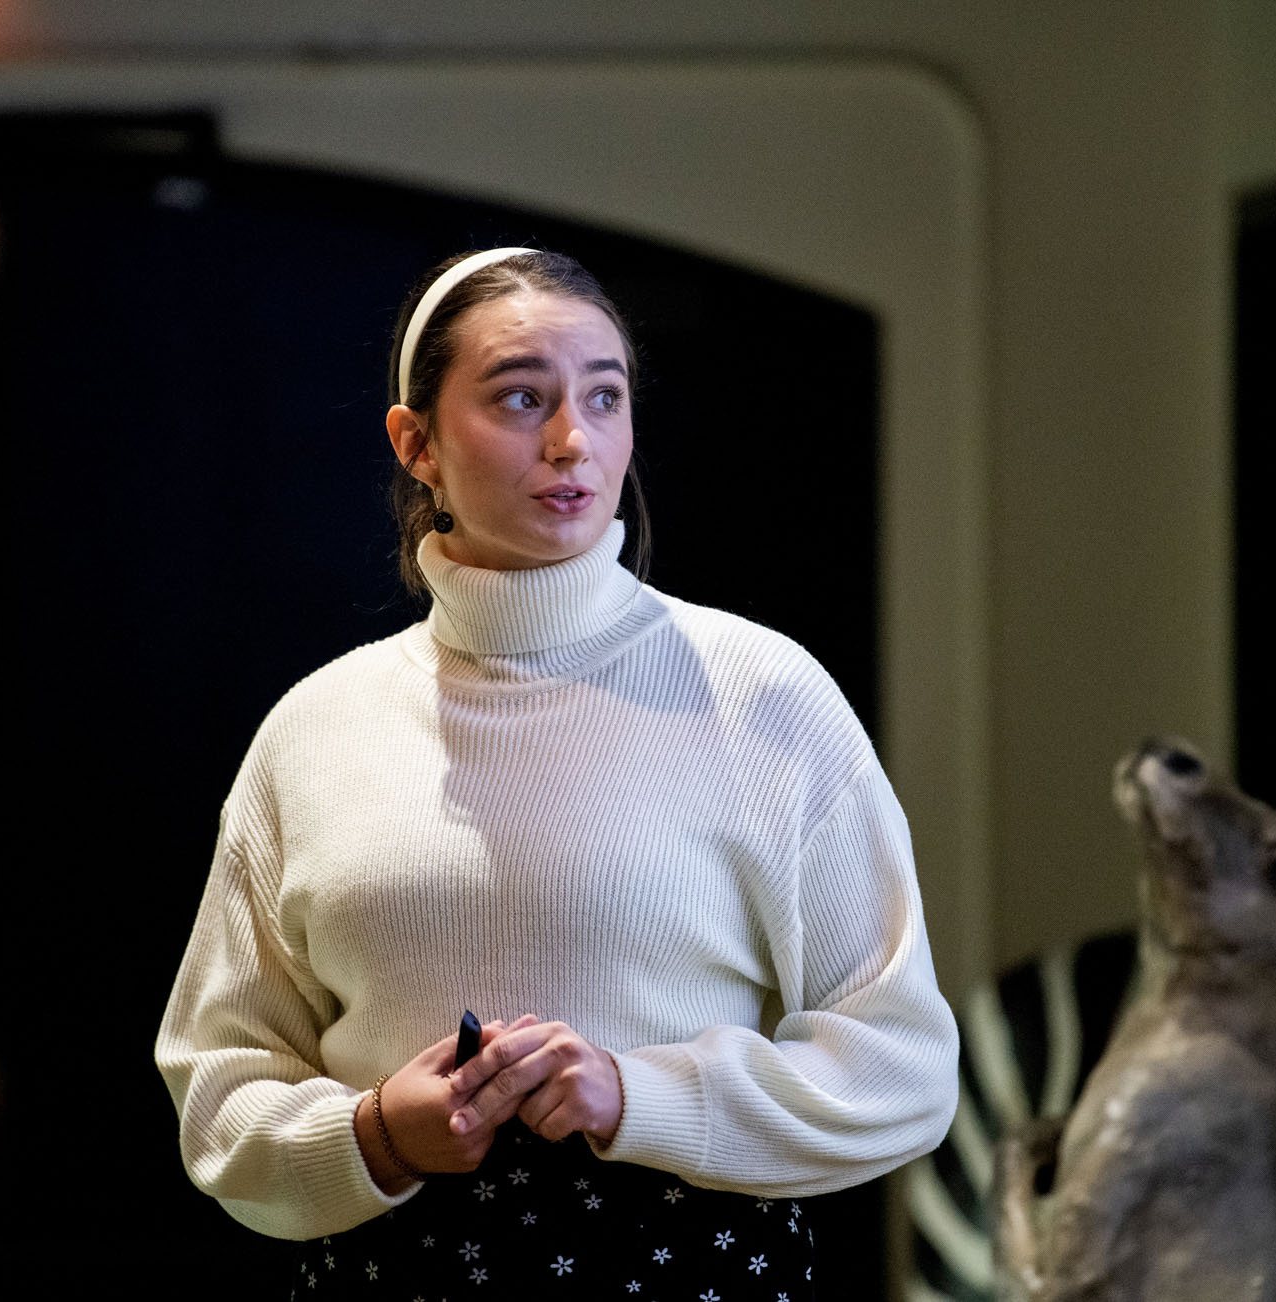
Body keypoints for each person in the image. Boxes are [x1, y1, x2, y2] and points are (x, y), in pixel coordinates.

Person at [155, 247, 958, 1301]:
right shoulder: (315, 729)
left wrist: (637, 1096)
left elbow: (900, 1071)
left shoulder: (761, 693)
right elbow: (219, 1095)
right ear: (416, 444)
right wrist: (376, 1135)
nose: (573, 440)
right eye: (521, 397)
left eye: (605, 397)